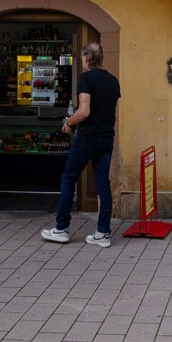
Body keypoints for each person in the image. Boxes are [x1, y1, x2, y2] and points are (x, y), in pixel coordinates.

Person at [41, 42, 121, 248]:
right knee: (103, 184)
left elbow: (84, 111)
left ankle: (61, 229)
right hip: (106, 137)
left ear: (86, 59)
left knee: (69, 178)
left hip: (88, 138)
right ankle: (103, 233)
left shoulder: (86, 78)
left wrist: (69, 122)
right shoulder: (113, 81)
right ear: (101, 58)